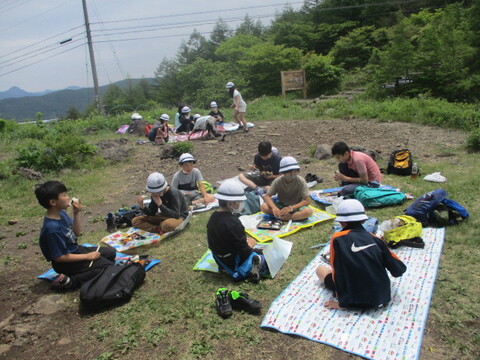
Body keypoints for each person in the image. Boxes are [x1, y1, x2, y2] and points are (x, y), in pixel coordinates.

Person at [315, 199, 407, 310]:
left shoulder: (337, 238)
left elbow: (337, 271)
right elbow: (399, 270)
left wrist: (342, 303)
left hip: (353, 301)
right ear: (364, 220)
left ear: (340, 222)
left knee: (320, 270)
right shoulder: (376, 239)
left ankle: (347, 302)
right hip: (381, 298)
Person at [34, 181, 116, 290]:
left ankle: (85, 270)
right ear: (53, 202)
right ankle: (71, 282)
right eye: (64, 195)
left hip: (75, 250)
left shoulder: (61, 213)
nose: (68, 197)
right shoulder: (52, 229)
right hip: (65, 263)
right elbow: (59, 257)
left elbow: (76, 233)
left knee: (111, 253)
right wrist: (87, 256)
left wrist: (76, 213)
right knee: (108, 267)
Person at [206, 181, 268, 283]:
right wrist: (250, 245)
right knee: (262, 255)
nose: (241, 204)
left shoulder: (213, 218)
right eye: (239, 202)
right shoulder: (234, 222)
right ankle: (251, 269)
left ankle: (225, 269)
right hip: (234, 260)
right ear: (231, 203)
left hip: (220, 260)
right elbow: (244, 251)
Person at [261, 156, 313, 221]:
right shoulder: (278, 181)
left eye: (295, 171)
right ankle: (284, 216)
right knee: (263, 207)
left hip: (296, 206)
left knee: (307, 212)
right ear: (283, 172)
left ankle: (287, 217)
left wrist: (291, 208)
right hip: (281, 206)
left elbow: (307, 200)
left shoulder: (301, 181)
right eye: (290, 172)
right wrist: (274, 208)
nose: (293, 174)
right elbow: (267, 196)